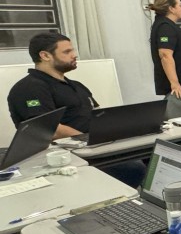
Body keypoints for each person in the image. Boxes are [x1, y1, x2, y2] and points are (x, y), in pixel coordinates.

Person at [7, 32, 147, 187]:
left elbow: (99, 114)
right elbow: (48, 130)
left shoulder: (76, 85)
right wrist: (87, 138)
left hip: (94, 147)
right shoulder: (30, 88)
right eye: (67, 52)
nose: (74, 55)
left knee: (152, 153)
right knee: (133, 168)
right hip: (66, 155)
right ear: (45, 55)